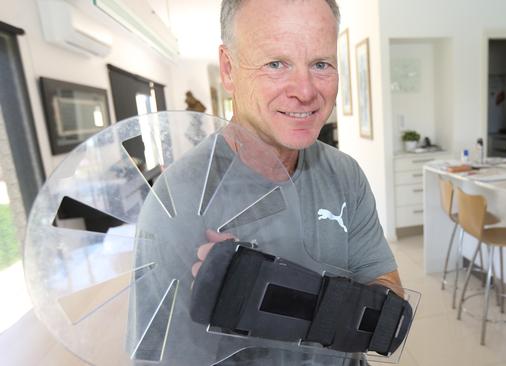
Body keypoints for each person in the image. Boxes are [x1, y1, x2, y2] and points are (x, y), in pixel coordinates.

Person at [132, 0, 403, 364]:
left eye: (321, 64)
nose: (305, 91)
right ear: (228, 70)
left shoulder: (344, 173)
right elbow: (154, 357)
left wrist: (275, 294)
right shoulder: (176, 201)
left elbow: (391, 319)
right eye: (276, 64)